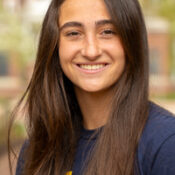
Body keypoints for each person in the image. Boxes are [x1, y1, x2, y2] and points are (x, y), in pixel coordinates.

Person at [8, 0, 175, 174]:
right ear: (55, 45)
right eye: (73, 33)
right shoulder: (37, 151)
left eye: (107, 32)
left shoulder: (166, 143)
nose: (91, 51)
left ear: (131, 40)